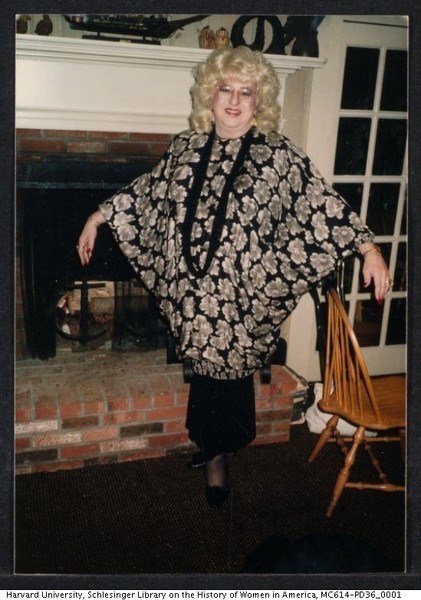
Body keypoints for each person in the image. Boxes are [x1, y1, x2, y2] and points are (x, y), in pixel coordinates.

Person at [77, 46, 391, 509]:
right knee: (205, 378)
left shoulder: (278, 155)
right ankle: (211, 445)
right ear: (211, 93)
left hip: (244, 297)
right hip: (191, 292)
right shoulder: (185, 147)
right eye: (227, 88)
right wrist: (97, 217)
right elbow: (148, 191)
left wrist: (369, 250)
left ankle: (218, 456)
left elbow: (321, 203)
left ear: (258, 101)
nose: (235, 100)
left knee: (226, 378)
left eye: (247, 91)